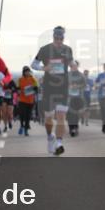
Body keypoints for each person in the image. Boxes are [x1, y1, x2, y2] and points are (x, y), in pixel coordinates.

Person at [32, 26, 74, 155]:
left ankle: (59, 143)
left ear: (64, 38)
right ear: (53, 37)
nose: (59, 40)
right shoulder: (44, 49)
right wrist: (44, 68)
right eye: (57, 38)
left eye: (61, 38)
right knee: (49, 117)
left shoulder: (68, 50)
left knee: (61, 117)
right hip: (49, 87)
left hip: (63, 87)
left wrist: (73, 67)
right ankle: (50, 137)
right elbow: (33, 64)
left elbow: (71, 63)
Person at [16, 66, 38, 135]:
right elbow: (17, 88)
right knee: (22, 114)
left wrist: (33, 90)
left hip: (30, 100)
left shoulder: (33, 79)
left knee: (28, 115)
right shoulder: (20, 79)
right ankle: (21, 125)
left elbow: (36, 88)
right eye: (26, 71)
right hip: (22, 100)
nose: (27, 73)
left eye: (28, 71)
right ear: (23, 72)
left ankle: (26, 129)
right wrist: (19, 91)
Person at [67, 60, 85, 137]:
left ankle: (75, 127)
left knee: (76, 113)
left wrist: (77, 86)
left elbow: (84, 84)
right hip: (68, 97)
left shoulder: (81, 75)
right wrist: (68, 86)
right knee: (69, 113)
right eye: (72, 65)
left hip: (78, 97)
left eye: (75, 65)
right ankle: (71, 128)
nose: (73, 67)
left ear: (77, 66)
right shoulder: (67, 75)